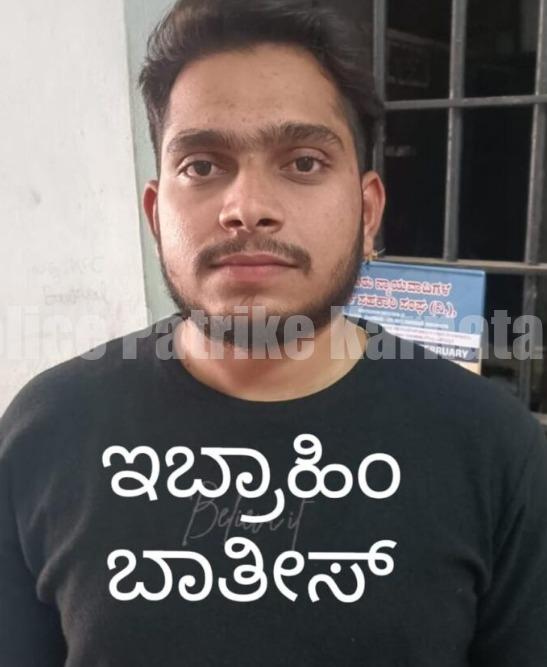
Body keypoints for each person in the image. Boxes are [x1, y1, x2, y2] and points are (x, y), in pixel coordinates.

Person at [1, 0, 546, 665]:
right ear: (156, 213)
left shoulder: (492, 450)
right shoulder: (47, 431)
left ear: (367, 210)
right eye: (202, 165)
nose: (247, 208)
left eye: (303, 162)